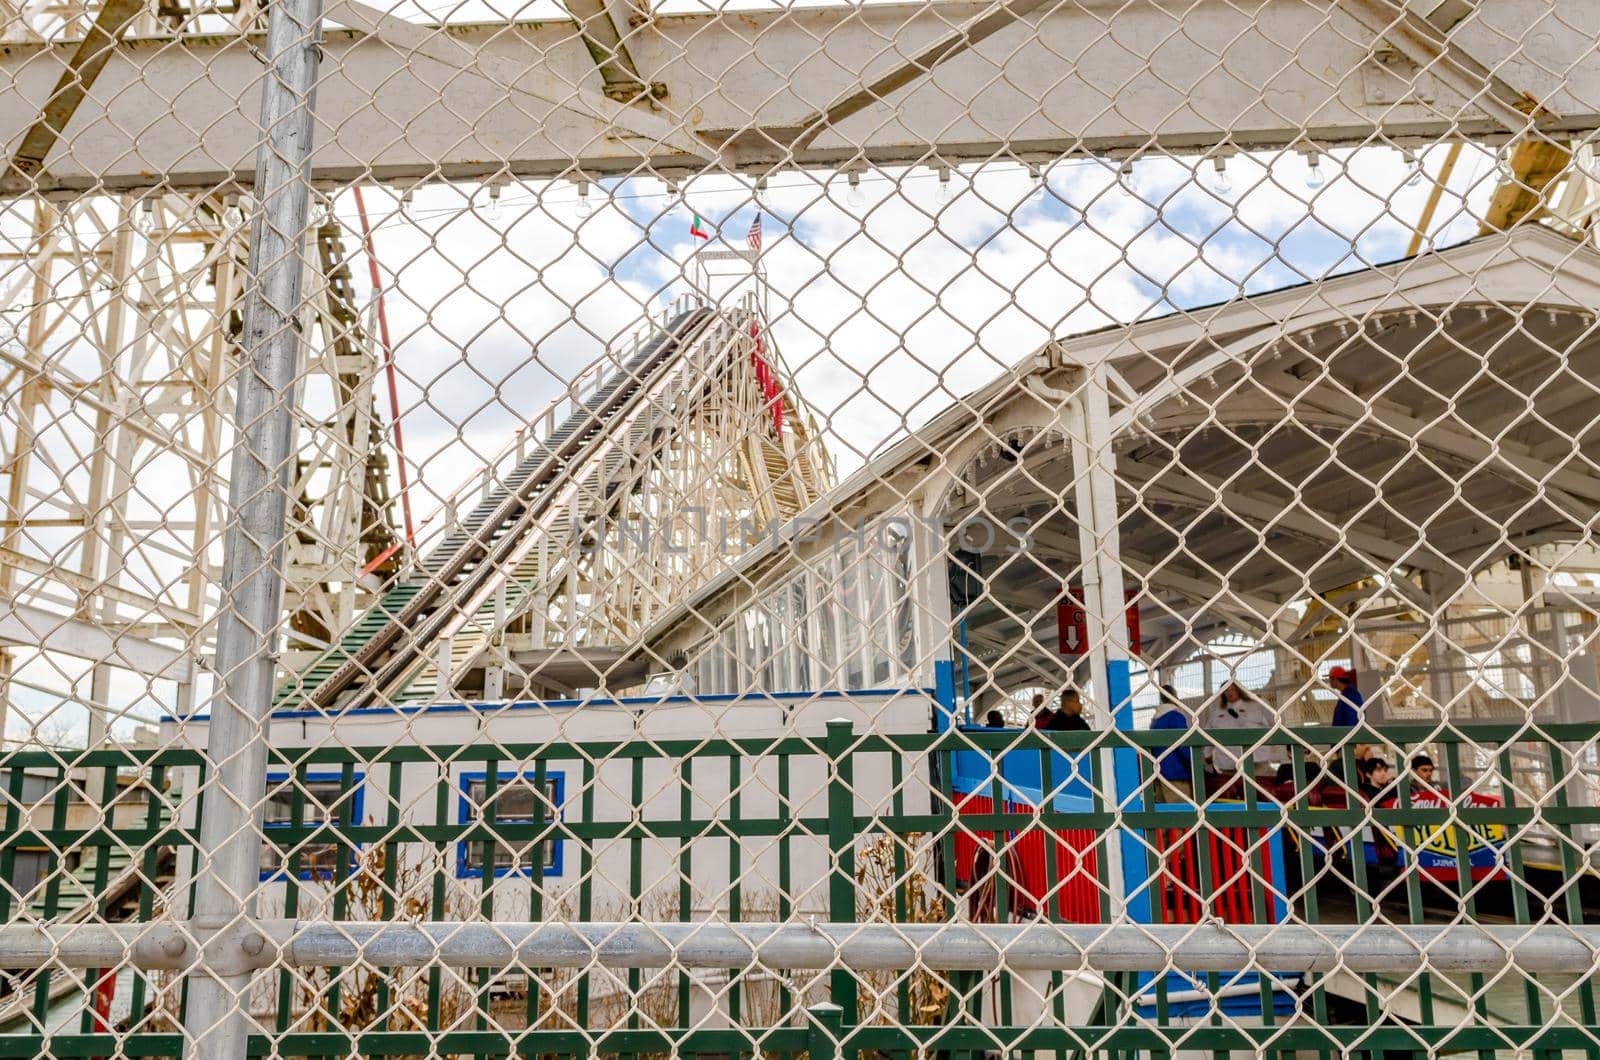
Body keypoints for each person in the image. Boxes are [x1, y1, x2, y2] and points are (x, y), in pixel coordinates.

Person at [1199, 682, 1274, 786]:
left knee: (1255, 788)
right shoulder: (1217, 712)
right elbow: (1209, 733)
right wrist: (1207, 754)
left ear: (1239, 690)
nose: (1229, 693)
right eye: (1226, 690)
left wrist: (1263, 701)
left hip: (1255, 759)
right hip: (1228, 761)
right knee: (1234, 791)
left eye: (1232, 689)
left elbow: (1273, 721)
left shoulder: (1256, 705)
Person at [1149, 686, 1194, 802]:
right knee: (1180, 813)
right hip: (1177, 774)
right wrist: (1193, 765)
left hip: (1159, 772)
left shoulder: (1155, 721)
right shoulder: (1175, 717)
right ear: (1174, 697)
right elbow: (1182, 745)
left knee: (1164, 812)